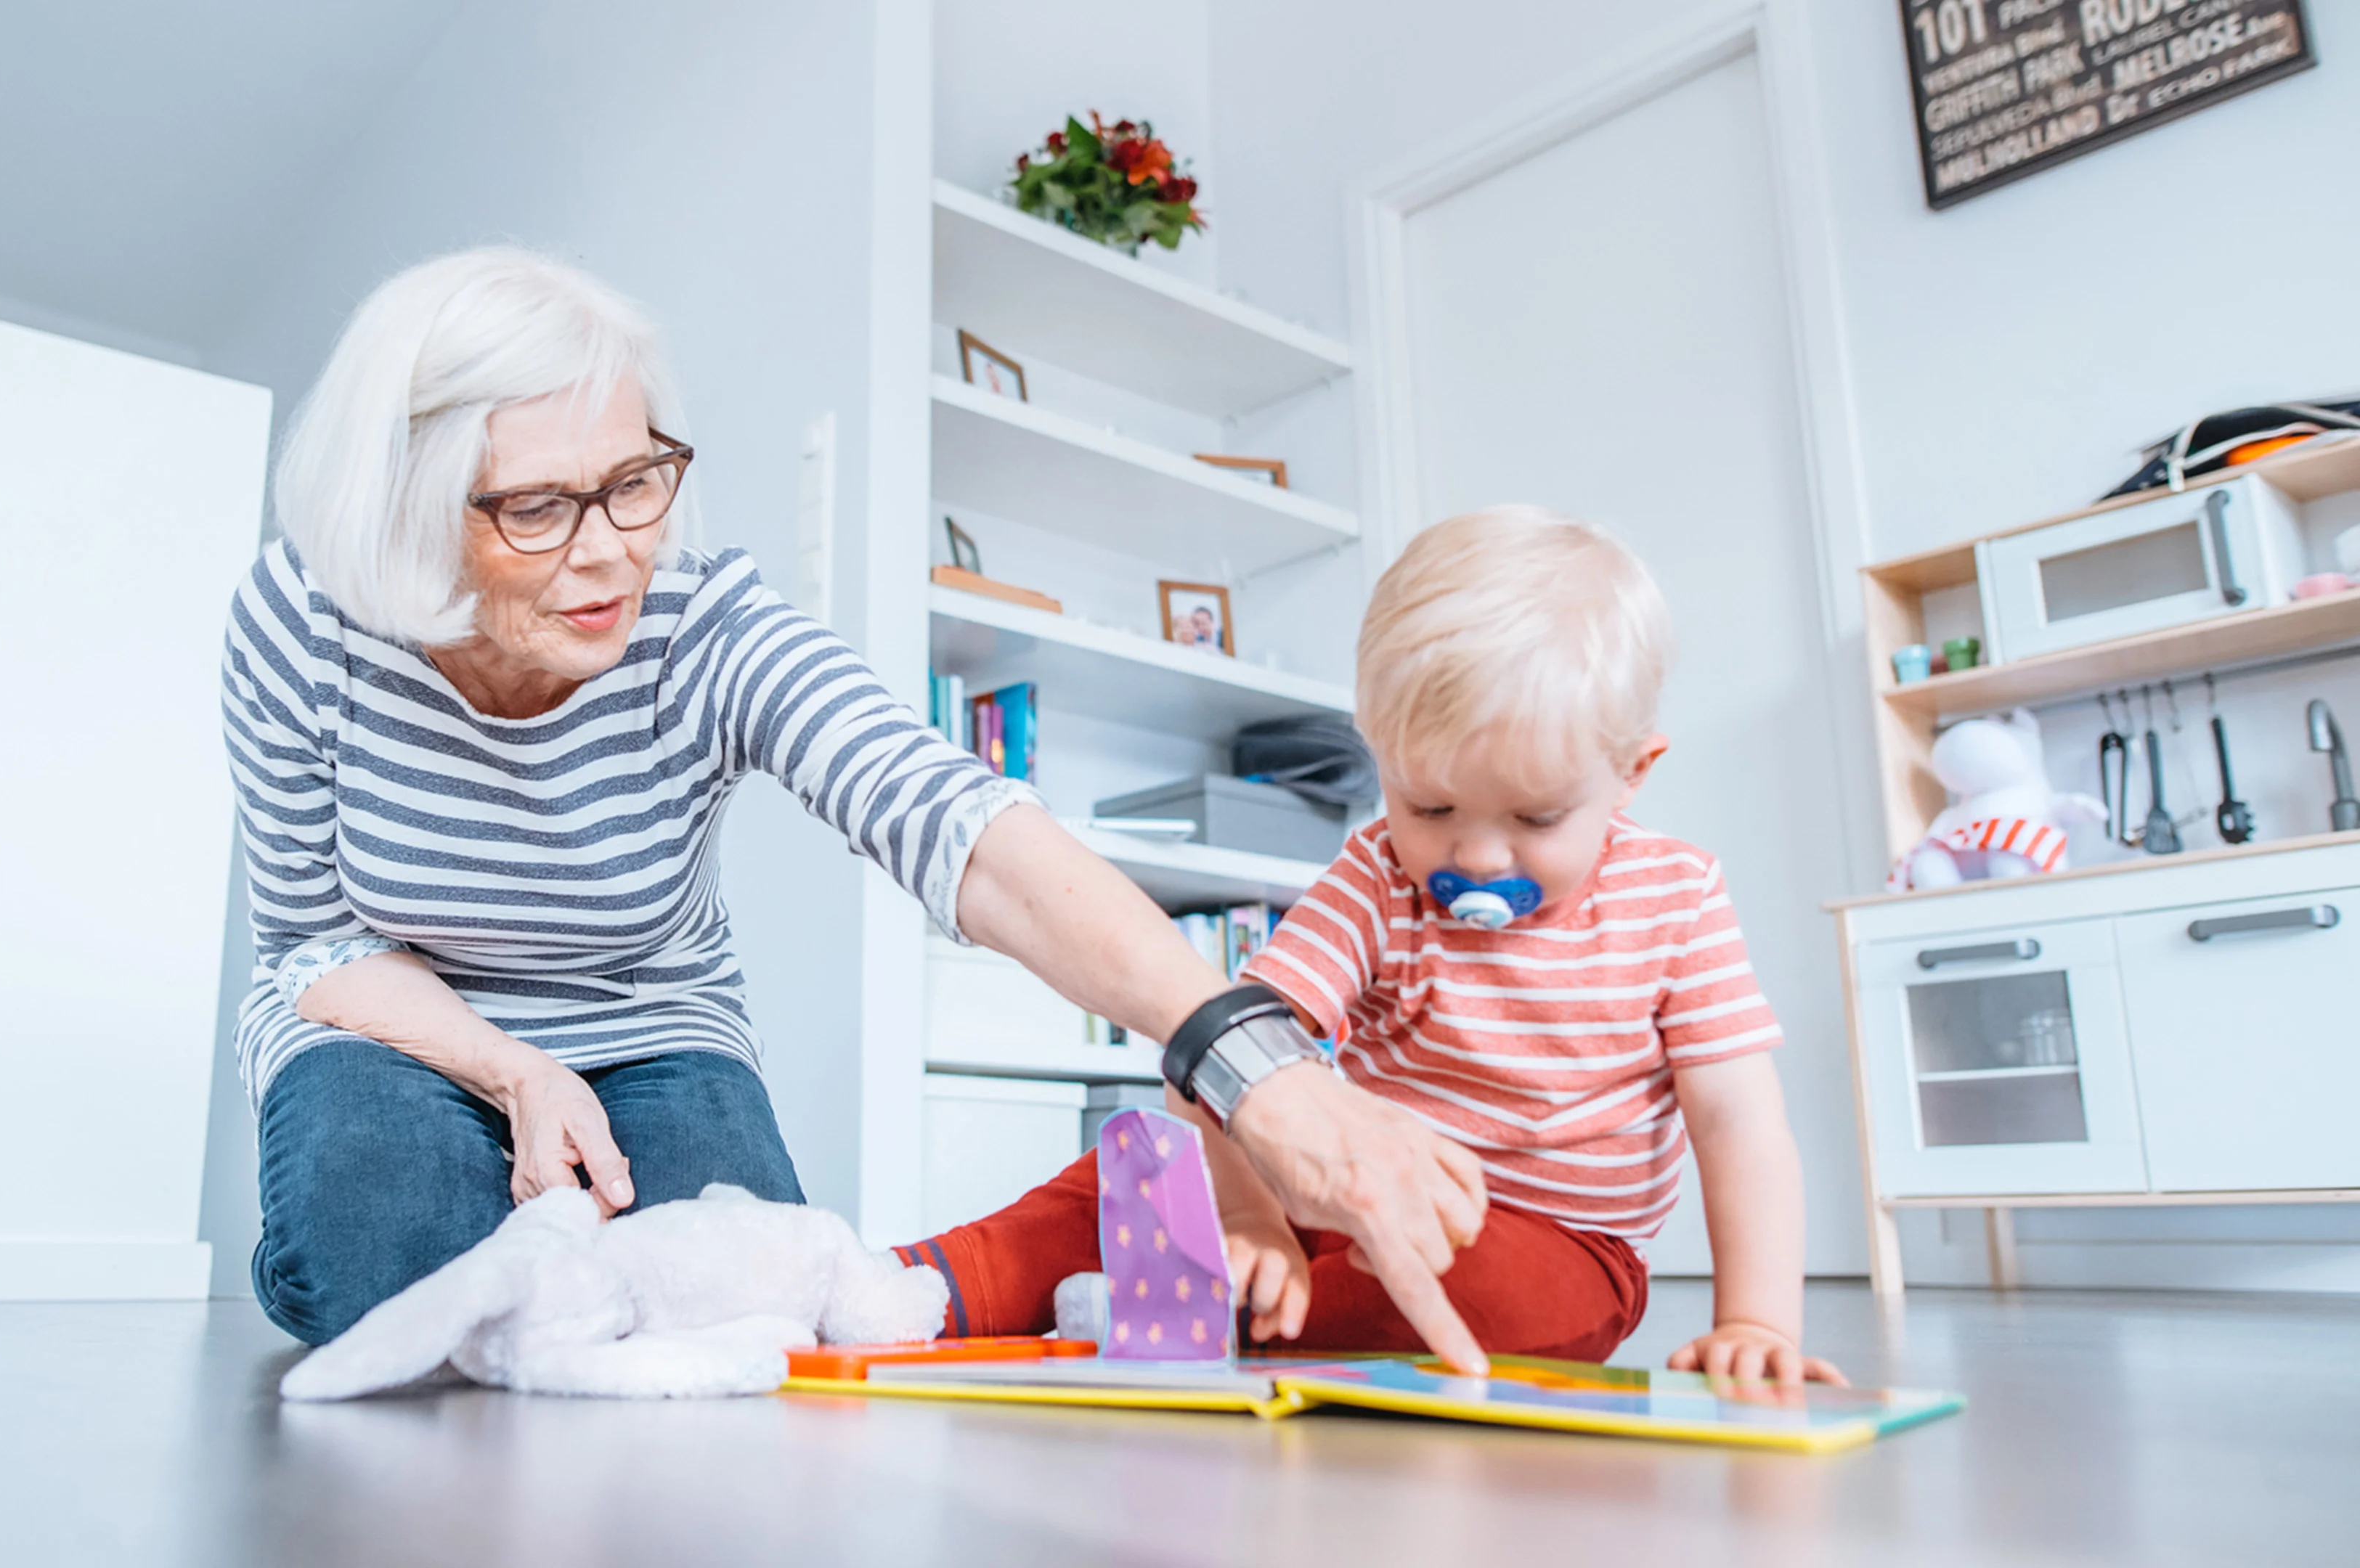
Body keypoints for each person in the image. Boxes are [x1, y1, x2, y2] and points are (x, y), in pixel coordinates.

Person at [224, 247, 1486, 1348]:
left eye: (633, 482)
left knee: (740, 1313)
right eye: (542, 508)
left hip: (653, 1028)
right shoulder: (300, 625)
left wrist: (1253, 1069)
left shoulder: (702, 620)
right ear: (409, 508)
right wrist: (515, 1073)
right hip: (393, 1029)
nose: (610, 549)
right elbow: (313, 945)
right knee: (393, 1263)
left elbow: (959, 826)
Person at [899, 506, 1848, 1386]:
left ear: (1632, 772)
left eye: (1535, 816)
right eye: (1430, 805)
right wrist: (1247, 1218)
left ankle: (1169, 1317)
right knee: (1131, 1170)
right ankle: (910, 1290)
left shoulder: (1678, 898)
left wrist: (1758, 1322)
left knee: (1495, 1304)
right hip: (1331, 1192)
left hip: (1555, 1239)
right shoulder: (1377, 873)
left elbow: (1740, 1128)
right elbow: (1228, 1056)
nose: (1474, 856)